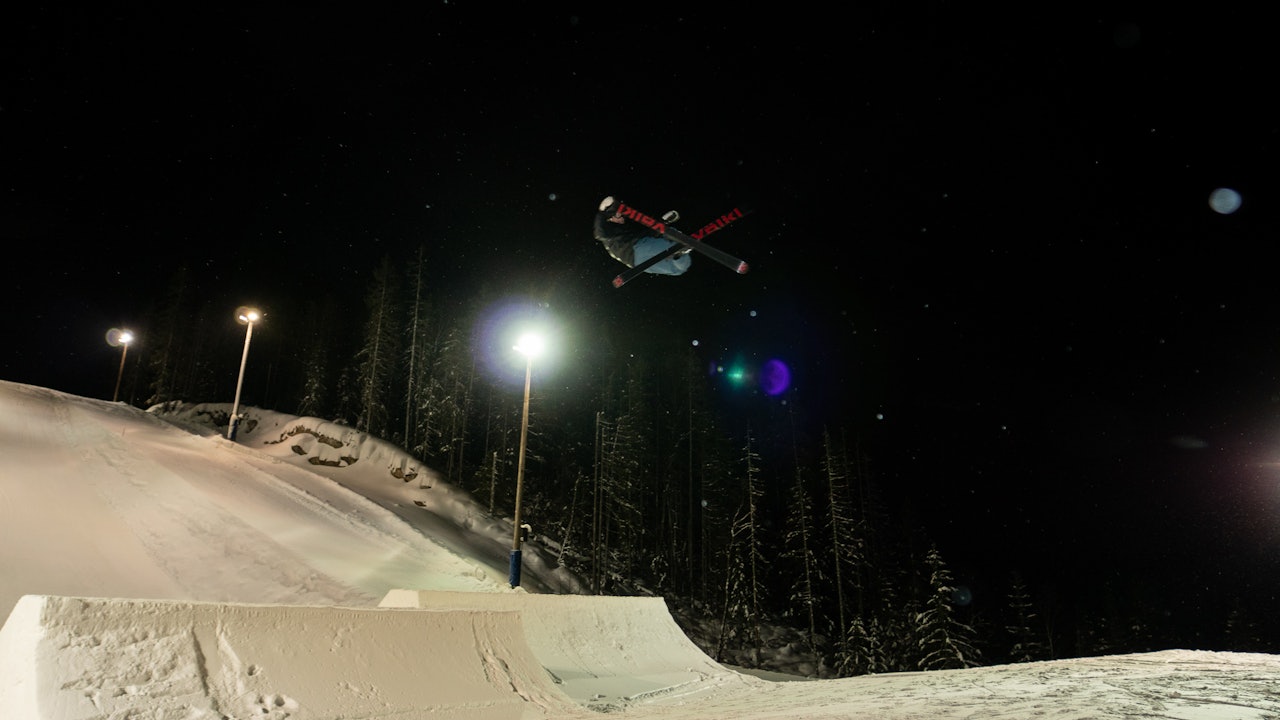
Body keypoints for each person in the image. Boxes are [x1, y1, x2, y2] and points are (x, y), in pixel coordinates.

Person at [594, 196, 691, 276]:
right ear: (610, 218)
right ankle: (678, 244)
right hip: (639, 249)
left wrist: (663, 223)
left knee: (678, 270)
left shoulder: (626, 230)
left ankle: (679, 253)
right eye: (619, 215)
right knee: (668, 243)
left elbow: (647, 235)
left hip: (638, 262)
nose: (622, 217)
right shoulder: (607, 232)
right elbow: (599, 232)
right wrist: (602, 212)